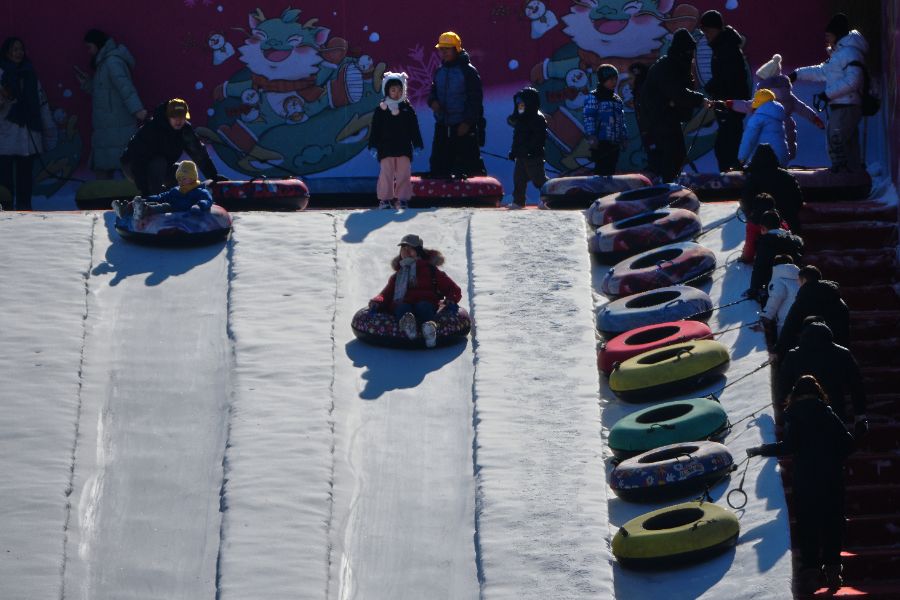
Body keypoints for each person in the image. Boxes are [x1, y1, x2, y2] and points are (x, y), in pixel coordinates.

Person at [746, 375, 855, 594]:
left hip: (805, 480)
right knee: (832, 523)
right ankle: (834, 571)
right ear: (818, 391)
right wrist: (834, 458)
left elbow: (788, 446)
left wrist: (760, 450)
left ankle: (812, 572)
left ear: (795, 394)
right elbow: (848, 443)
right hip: (831, 478)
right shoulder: (827, 412)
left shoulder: (794, 415)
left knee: (808, 526)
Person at [790, 13, 869, 173]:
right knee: (848, 143)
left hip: (846, 105)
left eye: (829, 34)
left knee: (836, 140)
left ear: (837, 33)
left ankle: (841, 173)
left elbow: (854, 81)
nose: (826, 37)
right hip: (842, 105)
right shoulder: (839, 54)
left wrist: (828, 94)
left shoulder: (850, 53)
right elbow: (822, 71)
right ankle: (852, 174)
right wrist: (797, 74)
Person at [638, 28, 713, 183]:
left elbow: (677, 95)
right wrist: (699, 100)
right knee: (672, 155)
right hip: (659, 118)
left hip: (664, 117)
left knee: (674, 155)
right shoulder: (668, 67)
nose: (692, 56)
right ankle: (667, 189)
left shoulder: (673, 65)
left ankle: (667, 186)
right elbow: (677, 92)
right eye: (690, 52)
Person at [75, 29, 147, 179]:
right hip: (110, 126)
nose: (89, 51)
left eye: (89, 47)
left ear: (97, 44)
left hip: (115, 125)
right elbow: (105, 90)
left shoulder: (111, 62)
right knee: (116, 166)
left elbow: (125, 88)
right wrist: (87, 83)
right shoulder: (105, 63)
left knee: (114, 167)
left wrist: (138, 110)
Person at [369, 234, 462, 349]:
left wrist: (451, 299)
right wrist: (377, 301)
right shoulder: (398, 274)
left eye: (410, 249)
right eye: (403, 248)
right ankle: (409, 327)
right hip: (403, 303)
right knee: (402, 308)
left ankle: (429, 330)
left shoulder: (430, 270)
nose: (406, 252)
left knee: (424, 306)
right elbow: (386, 294)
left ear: (418, 251)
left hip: (426, 302)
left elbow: (452, 288)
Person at [730, 54, 824, 163]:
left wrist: (730, 104)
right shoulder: (789, 96)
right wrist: (815, 119)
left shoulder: (763, 97)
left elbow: (746, 105)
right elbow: (803, 109)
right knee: (782, 154)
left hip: (764, 131)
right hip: (786, 130)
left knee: (763, 151)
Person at [120, 98, 222, 196]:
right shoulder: (152, 129)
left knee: (181, 170)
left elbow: (199, 154)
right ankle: (154, 195)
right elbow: (138, 160)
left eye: (182, 117)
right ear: (167, 116)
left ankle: (174, 196)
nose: (179, 121)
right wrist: (145, 191)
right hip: (132, 165)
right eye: (175, 117)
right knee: (159, 162)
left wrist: (214, 177)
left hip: (161, 167)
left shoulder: (185, 130)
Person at [777, 321, 867, 431]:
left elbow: (783, 385)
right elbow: (856, 385)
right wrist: (860, 413)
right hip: (835, 409)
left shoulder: (793, 355)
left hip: (802, 411)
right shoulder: (843, 354)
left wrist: (782, 412)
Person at [0, 37, 55, 211]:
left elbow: (42, 104)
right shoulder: (1, 74)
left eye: (20, 49)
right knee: (5, 182)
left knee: (25, 180)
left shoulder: (31, 74)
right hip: (6, 136)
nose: (18, 53)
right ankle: (5, 213)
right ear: (7, 52)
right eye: (14, 49)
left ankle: (25, 212)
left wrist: (49, 133)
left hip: (28, 137)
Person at [427, 32, 486, 179]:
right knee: (439, 163)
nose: (443, 52)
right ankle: (438, 196)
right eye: (441, 49)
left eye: (447, 49)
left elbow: (475, 100)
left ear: (456, 49)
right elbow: (433, 91)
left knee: (469, 164)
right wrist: (433, 101)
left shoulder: (468, 71)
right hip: (442, 124)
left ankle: (480, 196)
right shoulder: (440, 71)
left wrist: (467, 122)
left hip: (463, 127)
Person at [699, 10, 751, 173]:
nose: (705, 35)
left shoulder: (726, 48)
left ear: (714, 29)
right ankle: (730, 173)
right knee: (726, 143)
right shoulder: (723, 46)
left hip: (730, 104)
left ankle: (731, 176)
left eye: (706, 30)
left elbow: (727, 77)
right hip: (728, 103)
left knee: (726, 145)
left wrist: (709, 89)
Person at [368, 72, 423, 210]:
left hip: (403, 147)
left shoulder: (407, 108)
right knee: (386, 174)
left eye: (399, 90)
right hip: (385, 148)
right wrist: (373, 146)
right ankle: (385, 200)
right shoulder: (381, 109)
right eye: (393, 90)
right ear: (387, 90)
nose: (396, 93)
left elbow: (414, 128)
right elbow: (375, 129)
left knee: (404, 174)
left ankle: (402, 199)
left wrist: (417, 144)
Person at [775, 265, 850, 356]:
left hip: (810, 350)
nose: (798, 283)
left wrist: (779, 349)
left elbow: (790, 326)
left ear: (804, 280)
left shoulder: (803, 299)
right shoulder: (837, 299)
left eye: (798, 280)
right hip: (836, 350)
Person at [113, 160, 213, 224]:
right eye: (179, 179)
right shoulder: (176, 190)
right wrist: (147, 197)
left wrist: (199, 206)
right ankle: (125, 209)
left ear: (192, 178)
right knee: (153, 202)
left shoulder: (199, 190)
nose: (180, 181)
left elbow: (207, 199)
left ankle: (144, 211)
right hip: (171, 206)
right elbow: (162, 196)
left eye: (184, 178)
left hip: (177, 210)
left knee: (163, 206)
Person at [742, 144, 804, 232]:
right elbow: (798, 200)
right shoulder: (787, 177)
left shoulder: (752, 179)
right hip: (788, 222)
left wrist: (753, 218)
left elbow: (746, 201)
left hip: (761, 225)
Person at [748, 210, 803, 302]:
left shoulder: (765, 242)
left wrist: (754, 289)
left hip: (774, 285)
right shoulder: (793, 241)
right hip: (795, 283)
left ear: (763, 228)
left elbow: (759, 267)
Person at [506, 86, 547, 209]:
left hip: (533, 156)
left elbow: (539, 138)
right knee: (518, 180)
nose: (519, 106)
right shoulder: (520, 119)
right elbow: (517, 137)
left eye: (522, 104)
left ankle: (548, 199)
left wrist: (531, 150)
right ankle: (518, 201)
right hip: (521, 155)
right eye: (518, 104)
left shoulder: (538, 119)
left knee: (539, 180)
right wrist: (513, 152)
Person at [583, 64, 627, 176]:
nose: (614, 82)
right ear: (603, 79)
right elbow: (589, 117)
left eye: (615, 79)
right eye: (611, 79)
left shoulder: (617, 100)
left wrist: (624, 137)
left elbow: (621, 120)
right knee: (601, 169)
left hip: (614, 142)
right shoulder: (594, 97)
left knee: (611, 168)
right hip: (600, 142)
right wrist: (591, 136)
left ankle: (609, 191)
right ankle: (600, 191)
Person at [736, 89, 789, 167]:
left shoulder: (757, 119)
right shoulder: (777, 117)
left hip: (766, 159)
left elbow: (748, 140)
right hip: (782, 159)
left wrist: (741, 160)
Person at [760, 254, 800, 340]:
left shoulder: (778, 280)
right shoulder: (799, 280)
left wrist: (766, 316)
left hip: (785, 323)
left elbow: (776, 297)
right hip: (800, 322)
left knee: (784, 348)